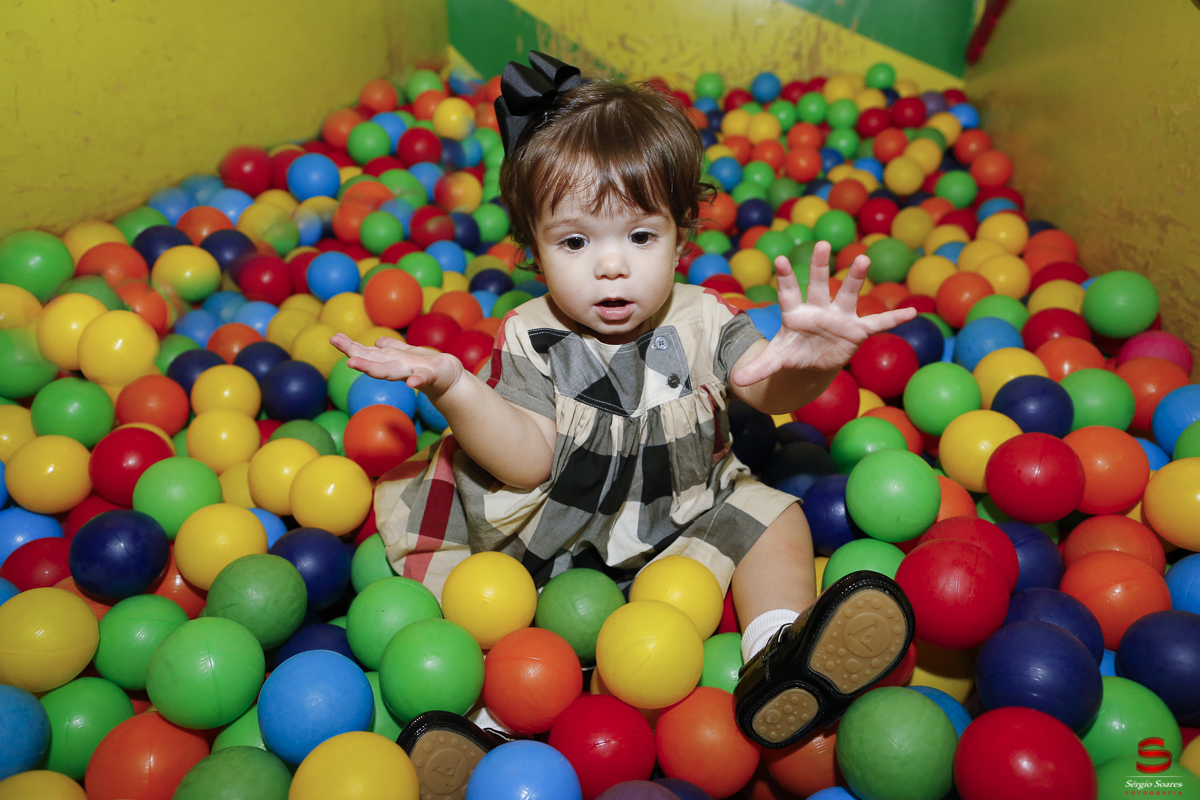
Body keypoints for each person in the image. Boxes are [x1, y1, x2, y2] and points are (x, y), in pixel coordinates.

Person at [331, 52, 917, 762]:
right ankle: (494, 725)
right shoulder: (532, 336)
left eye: (640, 236)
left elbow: (763, 386)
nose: (611, 266)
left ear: (680, 238)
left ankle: (776, 655)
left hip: (677, 509)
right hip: (555, 537)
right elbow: (528, 458)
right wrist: (453, 383)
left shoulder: (704, 316)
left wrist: (809, 366)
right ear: (533, 250)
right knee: (515, 623)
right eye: (575, 241)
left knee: (777, 517)